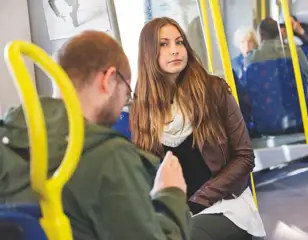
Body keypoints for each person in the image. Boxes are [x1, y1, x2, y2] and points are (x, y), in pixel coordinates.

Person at [0, 30, 191, 240]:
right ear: (109, 79)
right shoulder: (109, 157)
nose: (122, 107)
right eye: (126, 93)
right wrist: (171, 195)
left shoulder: (8, 141)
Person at [130, 17, 266, 240]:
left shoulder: (214, 90)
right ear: (148, 53)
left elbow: (244, 157)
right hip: (177, 210)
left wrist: (196, 203)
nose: (174, 50)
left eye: (179, 42)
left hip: (226, 204)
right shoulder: (142, 111)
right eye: (164, 44)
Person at [245, 18, 308, 168]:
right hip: (293, 107)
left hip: (264, 113)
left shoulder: (250, 59)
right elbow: (306, 75)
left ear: (260, 36)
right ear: (279, 33)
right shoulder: (293, 51)